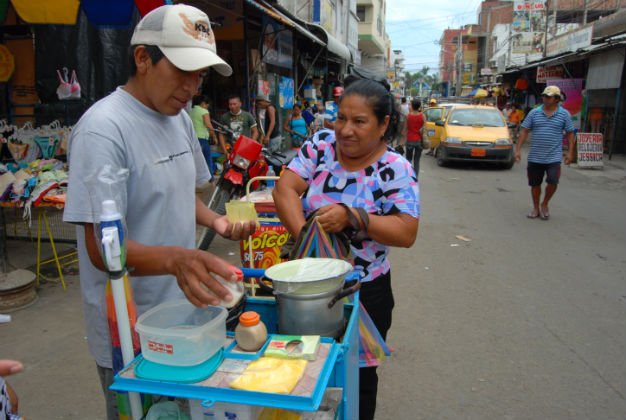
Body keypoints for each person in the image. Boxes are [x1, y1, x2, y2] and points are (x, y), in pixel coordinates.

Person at [63, 5, 257, 419]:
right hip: (131, 328)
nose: (191, 86)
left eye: (200, 74)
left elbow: (177, 193)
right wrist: (176, 259)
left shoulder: (179, 118)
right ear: (143, 58)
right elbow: (101, 249)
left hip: (189, 314)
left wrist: (217, 221)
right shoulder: (104, 130)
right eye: (182, 70)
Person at [272, 79, 420, 420]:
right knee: (304, 363)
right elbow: (285, 190)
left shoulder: (396, 169)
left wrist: (354, 217)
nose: (345, 130)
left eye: (359, 121)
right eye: (341, 118)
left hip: (365, 293)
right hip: (309, 286)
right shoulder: (321, 145)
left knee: (358, 378)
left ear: (383, 125)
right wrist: (314, 250)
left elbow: (407, 231)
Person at [515, 85, 575, 220]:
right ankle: (536, 207)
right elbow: (524, 131)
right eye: (544, 96)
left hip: (554, 157)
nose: (545, 99)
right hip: (535, 157)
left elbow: (570, 134)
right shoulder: (534, 113)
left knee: (553, 182)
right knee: (535, 184)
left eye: (549, 97)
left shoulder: (564, 114)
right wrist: (517, 150)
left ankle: (545, 203)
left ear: (556, 99)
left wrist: (570, 153)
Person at [190, 95, 217, 175]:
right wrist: (214, 136)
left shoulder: (191, 111)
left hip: (192, 139)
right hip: (202, 139)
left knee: (196, 161)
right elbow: (208, 125)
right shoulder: (204, 111)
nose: (207, 107)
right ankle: (210, 179)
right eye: (207, 105)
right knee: (207, 160)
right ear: (203, 103)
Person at [405, 98, 426, 178]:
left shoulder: (408, 116)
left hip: (410, 140)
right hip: (419, 140)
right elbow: (424, 128)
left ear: (412, 106)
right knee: (417, 161)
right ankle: (415, 178)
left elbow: (405, 128)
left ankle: (409, 177)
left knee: (408, 160)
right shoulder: (423, 116)